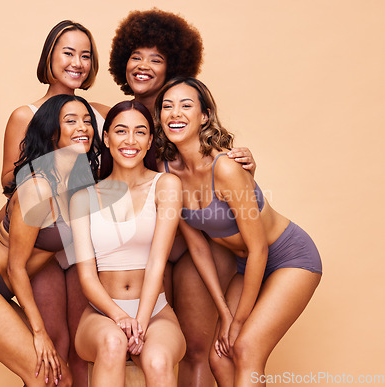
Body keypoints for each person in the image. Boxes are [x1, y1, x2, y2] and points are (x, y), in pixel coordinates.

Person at [109, 9, 256, 386]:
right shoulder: (115, 120)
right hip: (139, 253)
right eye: (135, 56)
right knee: (148, 350)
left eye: (156, 59)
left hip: (193, 248)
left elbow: (224, 178)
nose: (142, 66)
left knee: (196, 346)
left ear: (173, 66)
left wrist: (247, 166)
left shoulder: (183, 118)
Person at [154, 77, 322, 387]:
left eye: (186, 105)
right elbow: (199, 248)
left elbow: (259, 249)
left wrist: (239, 320)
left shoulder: (226, 168)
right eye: (167, 106)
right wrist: (225, 313)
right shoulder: (167, 173)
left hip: (289, 257)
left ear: (204, 116)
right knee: (220, 356)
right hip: (246, 266)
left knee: (245, 347)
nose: (175, 113)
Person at [0, 94, 101, 387]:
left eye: (88, 121)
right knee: (44, 375)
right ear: (52, 131)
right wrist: (39, 332)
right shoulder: (38, 187)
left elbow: (1, 215)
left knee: (57, 377)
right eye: (71, 120)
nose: (83, 127)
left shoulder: (73, 183)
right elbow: (15, 267)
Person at [0, 20, 109, 386]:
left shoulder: (98, 112)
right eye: (68, 52)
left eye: (86, 55)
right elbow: (8, 180)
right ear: (49, 56)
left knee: (81, 343)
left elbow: (141, 141)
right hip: (44, 241)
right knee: (52, 343)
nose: (77, 62)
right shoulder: (26, 114)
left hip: (83, 240)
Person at [71, 101, 186, 387]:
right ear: (107, 138)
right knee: (112, 343)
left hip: (156, 312)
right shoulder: (82, 198)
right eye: (121, 131)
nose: (130, 141)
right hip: (102, 314)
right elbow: (86, 277)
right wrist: (121, 317)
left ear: (150, 142)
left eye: (140, 132)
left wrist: (141, 323)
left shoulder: (166, 186)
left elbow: (158, 262)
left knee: (157, 361)